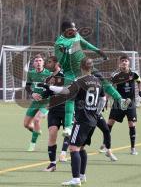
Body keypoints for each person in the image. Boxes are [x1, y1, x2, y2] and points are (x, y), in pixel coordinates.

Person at [46, 57, 107, 186]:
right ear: (91, 67)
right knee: (81, 147)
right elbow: (103, 98)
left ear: (81, 67)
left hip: (82, 119)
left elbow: (65, 91)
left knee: (73, 148)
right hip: (93, 119)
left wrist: (49, 87)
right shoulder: (97, 81)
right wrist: (97, 111)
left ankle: (75, 179)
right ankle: (82, 175)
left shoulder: (79, 81)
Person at [54, 20, 107, 137]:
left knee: (102, 80)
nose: (75, 31)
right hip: (70, 73)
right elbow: (61, 63)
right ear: (64, 31)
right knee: (70, 98)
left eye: (75, 28)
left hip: (84, 68)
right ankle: (67, 127)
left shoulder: (77, 35)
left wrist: (99, 51)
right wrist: (64, 54)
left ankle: (119, 100)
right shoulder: (59, 44)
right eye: (72, 29)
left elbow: (86, 44)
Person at [107, 54, 141, 155]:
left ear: (129, 63)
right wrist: (106, 98)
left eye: (126, 61)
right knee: (109, 123)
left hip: (130, 103)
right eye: (122, 61)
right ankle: (105, 145)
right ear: (119, 63)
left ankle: (133, 148)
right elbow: (108, 87)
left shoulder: (133, 74)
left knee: (132, 124)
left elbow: (140, 82)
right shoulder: (116, 75)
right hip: (118, 102)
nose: (124, 62)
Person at [42, 56, 70, 171]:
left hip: (67, 109)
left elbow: (68, 90)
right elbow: (46, 94)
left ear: (56, 63)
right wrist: (38, 95)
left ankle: (64, 153)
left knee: (68, 133)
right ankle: (52, 164)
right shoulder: (48, 78)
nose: (47, 65)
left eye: (49, 62)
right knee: (52, 133)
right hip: (54, 110)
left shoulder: (65, 75)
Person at [24, 54, 51, 151]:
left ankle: (32, 144)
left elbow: (53, 89)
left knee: (36, 120)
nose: (38, 62)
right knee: (26, 125)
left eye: (40, 60)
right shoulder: (31, 73)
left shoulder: (49, 74)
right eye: (36, 61)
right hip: (35, 102)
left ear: (43, 63)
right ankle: (37, 130)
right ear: (33, 64)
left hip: (46, 103)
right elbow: (27, 87)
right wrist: (32, 94)